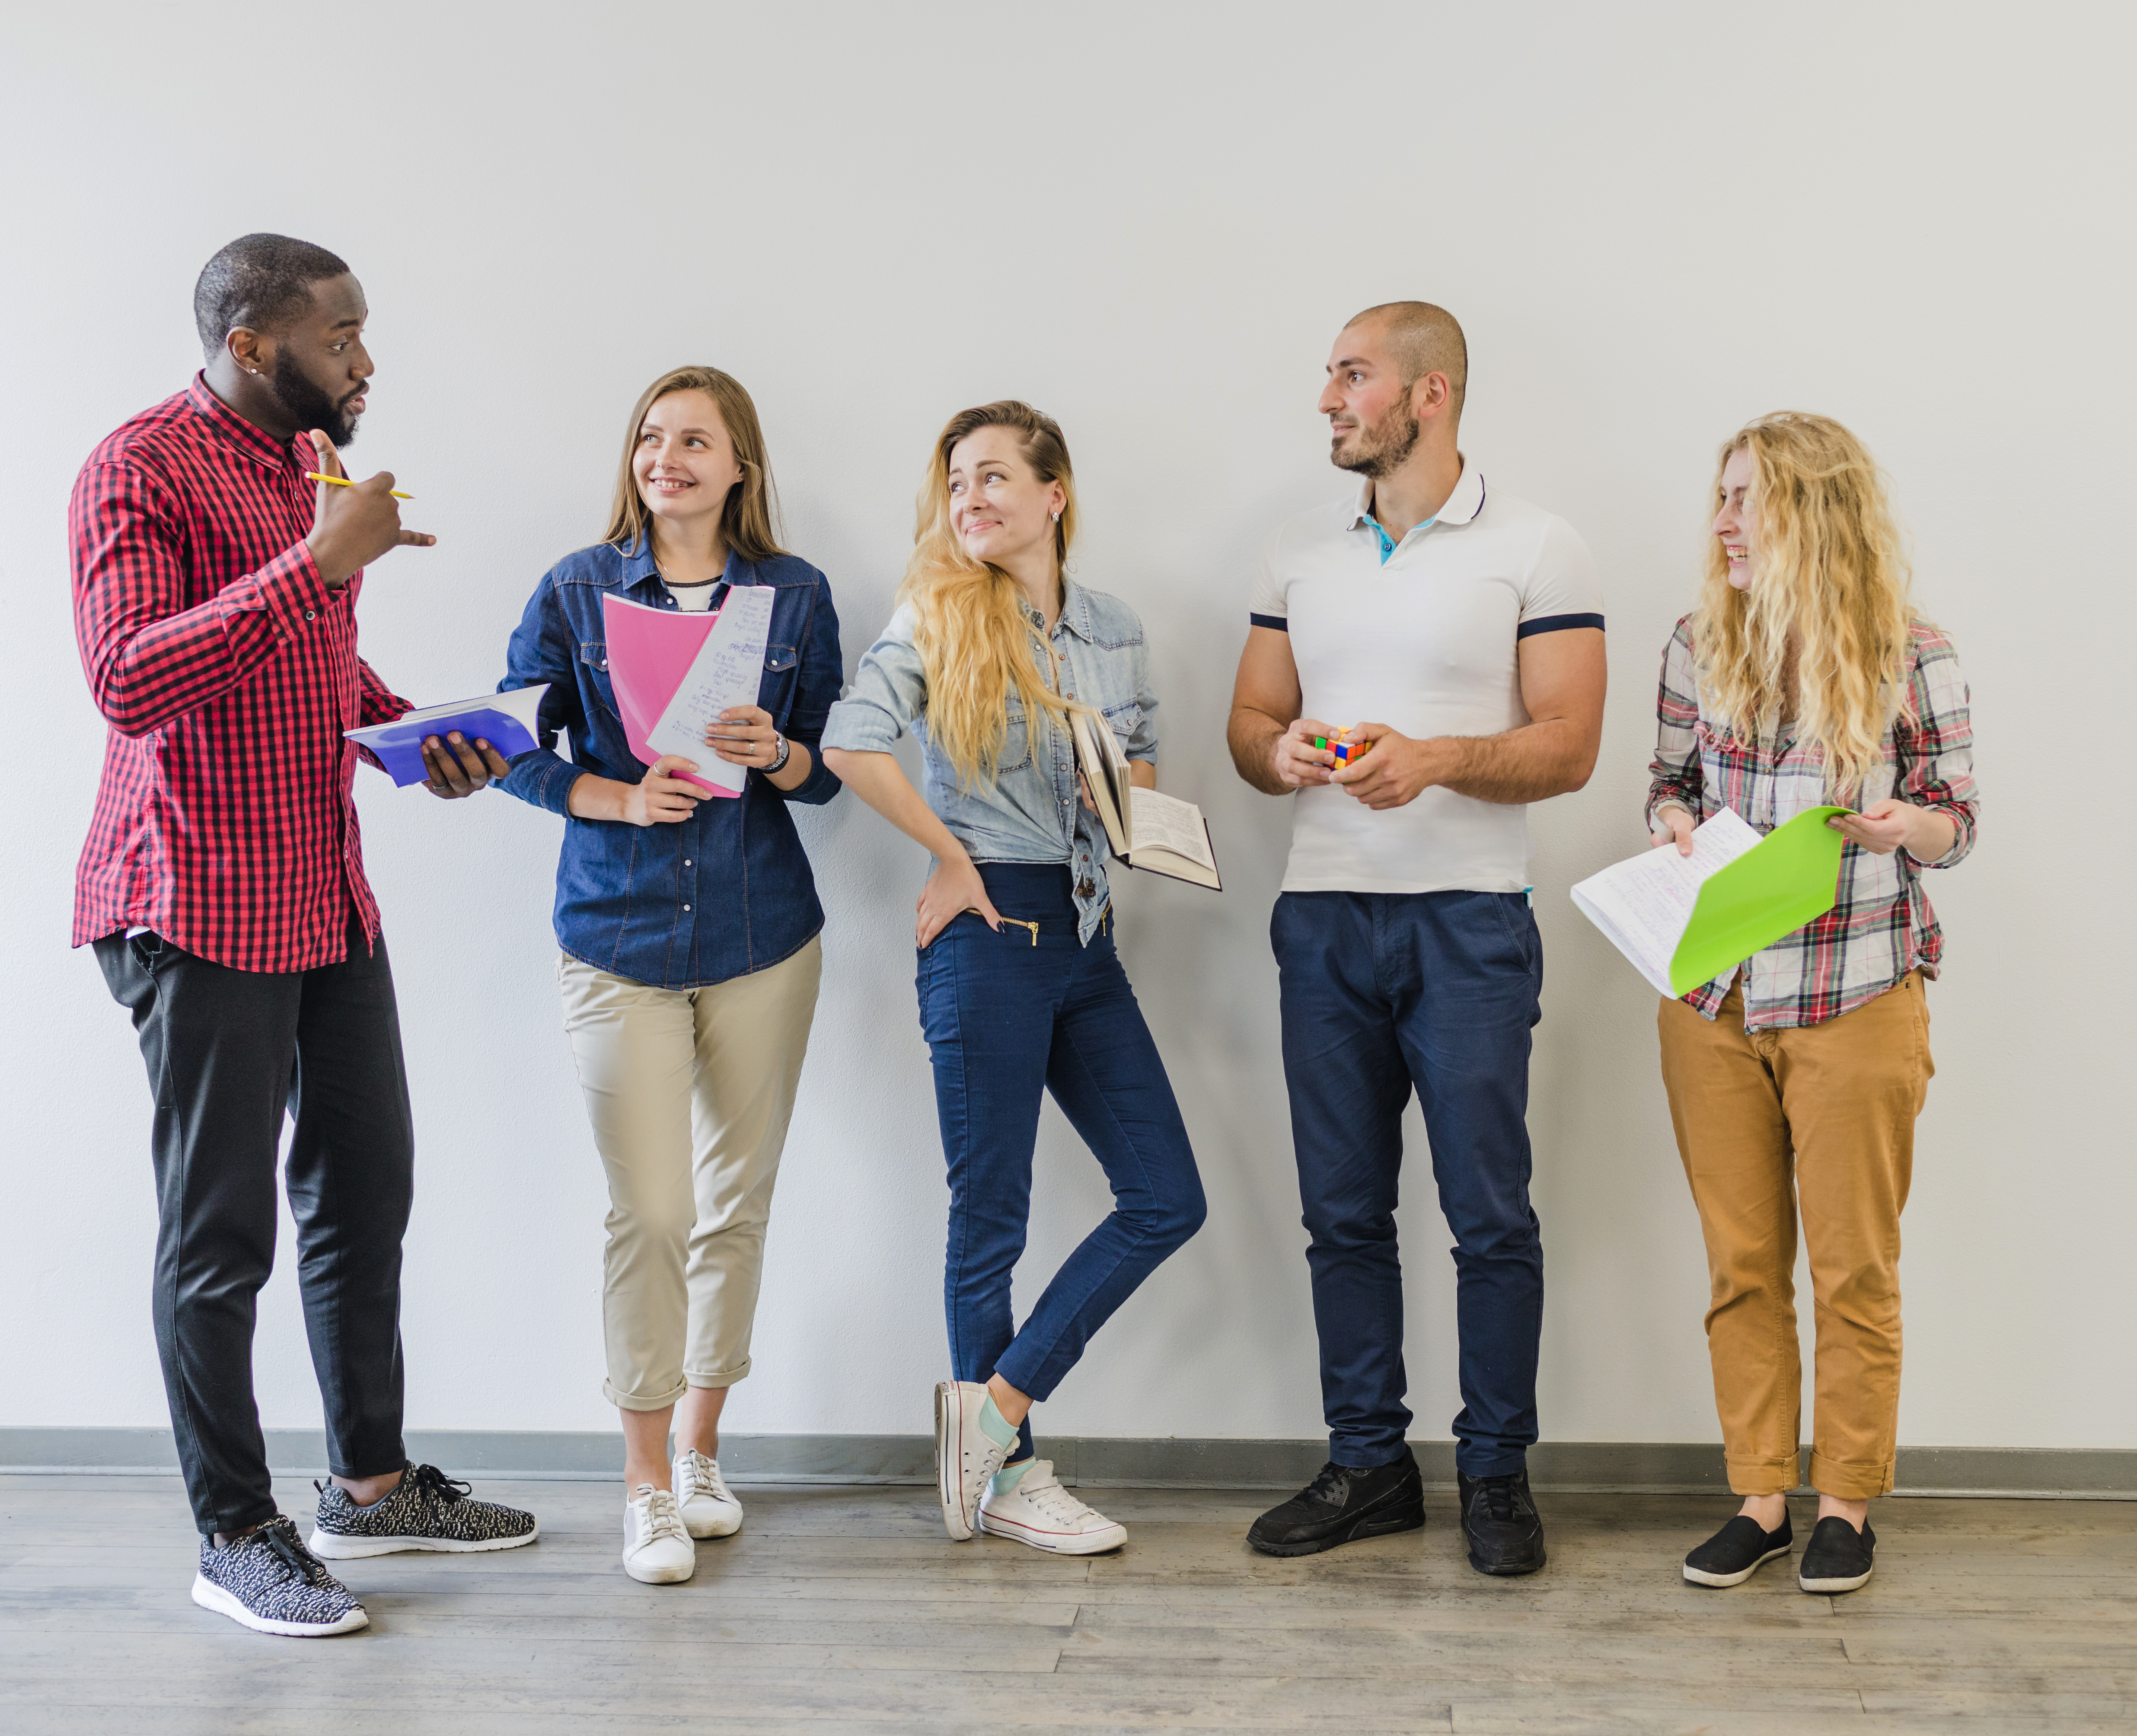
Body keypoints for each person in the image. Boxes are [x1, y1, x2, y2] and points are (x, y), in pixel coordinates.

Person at [74, 234, 535, 1640]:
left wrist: (411, 735)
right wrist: (315, 562)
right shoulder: (137, 467)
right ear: (259, 344)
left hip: (320, 887)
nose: (367, 361)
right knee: (221, 1238)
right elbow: (128, 679)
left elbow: (308, 666)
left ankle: (371, 1485)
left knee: (365, 1188)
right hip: (195, 894)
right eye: (343, 337)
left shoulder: (308, 469)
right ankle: (236, 1533)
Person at [1225, 303, 1606, 1578]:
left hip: (1470, 925)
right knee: (1344, 1214)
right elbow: (1251, 716)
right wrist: (1277, 754)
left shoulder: (1539, 546)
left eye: (1352, 375)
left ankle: (1496, 1474)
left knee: (1489, 1214)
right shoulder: (1299, 549)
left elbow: (1569, 744)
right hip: (1324, 916)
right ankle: (1369, 1466)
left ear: (1428, 393)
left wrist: (1435, 759)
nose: (1329, 398)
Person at [471, 367, 845, 1586]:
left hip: (761, 934)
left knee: (737, 1203)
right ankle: (640, 1486)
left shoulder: (794, 595)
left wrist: (779, 750)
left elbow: (838, 766)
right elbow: (510, 745)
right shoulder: (577, 587)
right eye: (650, 435)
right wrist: (616, 793)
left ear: (741, 466)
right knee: (654, 1211)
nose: (666, 456)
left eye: (696, 440)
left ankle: (697, 1450)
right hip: (617, 934)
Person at [822, 402, 1206, 1557]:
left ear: (1056, 494)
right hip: (987, 931)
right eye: (956, 483)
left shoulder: (1118, 628)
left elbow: (1141, 771)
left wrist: (1123, 795)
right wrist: (950, 855)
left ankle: (988, 1416)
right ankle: (1008, 1479)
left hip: (1086, 934)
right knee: (989, 1220)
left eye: (995, 477)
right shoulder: (937, 614)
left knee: (1166, 1198)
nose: (972, 500)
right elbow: (851, 743)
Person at [1649, 412, 1979, 1597]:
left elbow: (1958, 821)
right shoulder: (1700, 644)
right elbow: (1669, 787)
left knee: (1852, 1271)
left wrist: (1908, 827)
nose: (1726, 523)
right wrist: (1675, 827)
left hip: (1856, 997)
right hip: (1716, 1000)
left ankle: (1846, 1504)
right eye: (1723, 497)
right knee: (1742, 1267)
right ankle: (1760, 1500)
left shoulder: (1911, 654)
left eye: (1750, 499)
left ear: (1815, 513)